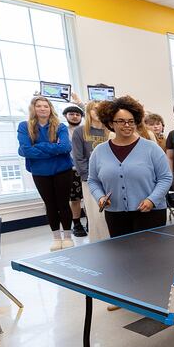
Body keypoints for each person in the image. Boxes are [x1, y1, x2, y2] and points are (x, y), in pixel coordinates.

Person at [88, 95, 172, 238]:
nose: (127, 125)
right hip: (115, 214)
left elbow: (165, 178)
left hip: (150, 213)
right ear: (110, 123)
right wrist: (100, 197)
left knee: (152, 257)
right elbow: (93, 180)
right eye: (121, 121)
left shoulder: (151, 148)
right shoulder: (99, 151)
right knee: (122, 257)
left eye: (131, 121)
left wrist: (152, 200)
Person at [17, 96, 75, 251]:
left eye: (46, 106)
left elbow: (65, 147)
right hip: (40, 172)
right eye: (39, 106)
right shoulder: (24, 127)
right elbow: (25, 150)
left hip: (62, 170)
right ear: (33, 109)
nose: (43, 109)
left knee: (63, 204)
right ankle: (56, 238)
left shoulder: (59, 126)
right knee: (50, 205)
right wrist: (51, 148)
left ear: (50, 109)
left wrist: (39, 146)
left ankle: (68, 237)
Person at [72, 100, 110, 242]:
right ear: (88, 112)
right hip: (90, 180)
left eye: (100, 109)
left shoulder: (110, 131)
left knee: (109, 214)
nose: (97, 112)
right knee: (95, 213)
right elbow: (78, 157)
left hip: (110, 178)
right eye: (94, 109)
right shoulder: (80, 131)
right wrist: (88, 177)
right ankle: (97, 241)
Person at [61, 104, 88, 238]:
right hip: (71, 169)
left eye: (77, 114)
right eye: (71, 114)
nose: (74, 116)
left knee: (89, 197)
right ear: (66, 116)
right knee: (75, 199)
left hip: (87, 167)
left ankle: (90, 220)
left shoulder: (85, 130)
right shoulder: (62, 131)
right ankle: (76, 224)